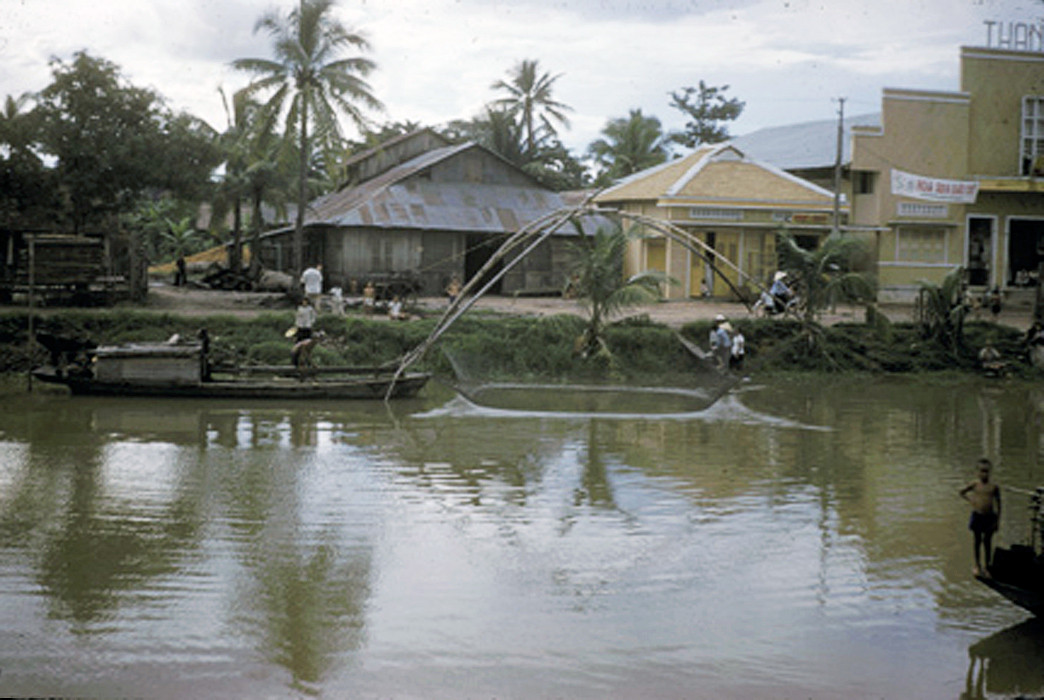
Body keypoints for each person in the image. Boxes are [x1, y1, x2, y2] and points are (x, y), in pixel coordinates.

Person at [960, 458, 1002, 576]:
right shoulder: (975, 484)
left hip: (989, 517)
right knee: (977, 541)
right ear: (977, 472)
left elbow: (999, 505)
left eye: (986, 471)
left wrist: (997, 521)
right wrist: (971, 500)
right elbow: (961, 492)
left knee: (987, 542)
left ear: (990, 472)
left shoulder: (994, 487)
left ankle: (987, 566)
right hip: (977, 515)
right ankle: (977, 565)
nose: (984, 473)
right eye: (982, 471)